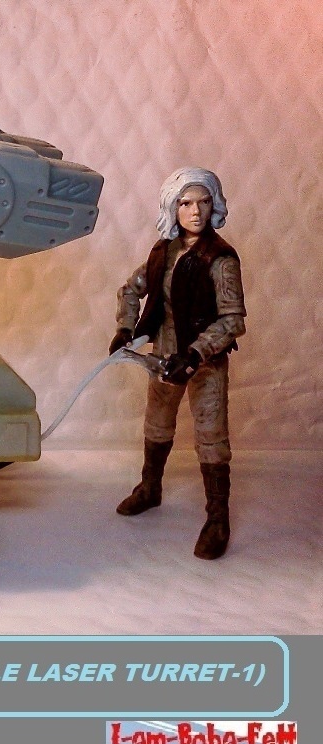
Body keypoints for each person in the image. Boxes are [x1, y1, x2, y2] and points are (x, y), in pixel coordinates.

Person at [109, 167, 246, 559]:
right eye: (186, 203)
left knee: (211, 436)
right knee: (157, 422)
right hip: (164, 356)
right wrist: (125, 328)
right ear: (173, 207)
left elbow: (233, 320)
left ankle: (217, 519)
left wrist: (196, 353)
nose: (195, 211)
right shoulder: (163, 252)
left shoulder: (221, 259)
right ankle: (150, 487)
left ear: (215, 205)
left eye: (204, 202)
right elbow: (130, 290)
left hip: (205, 361)